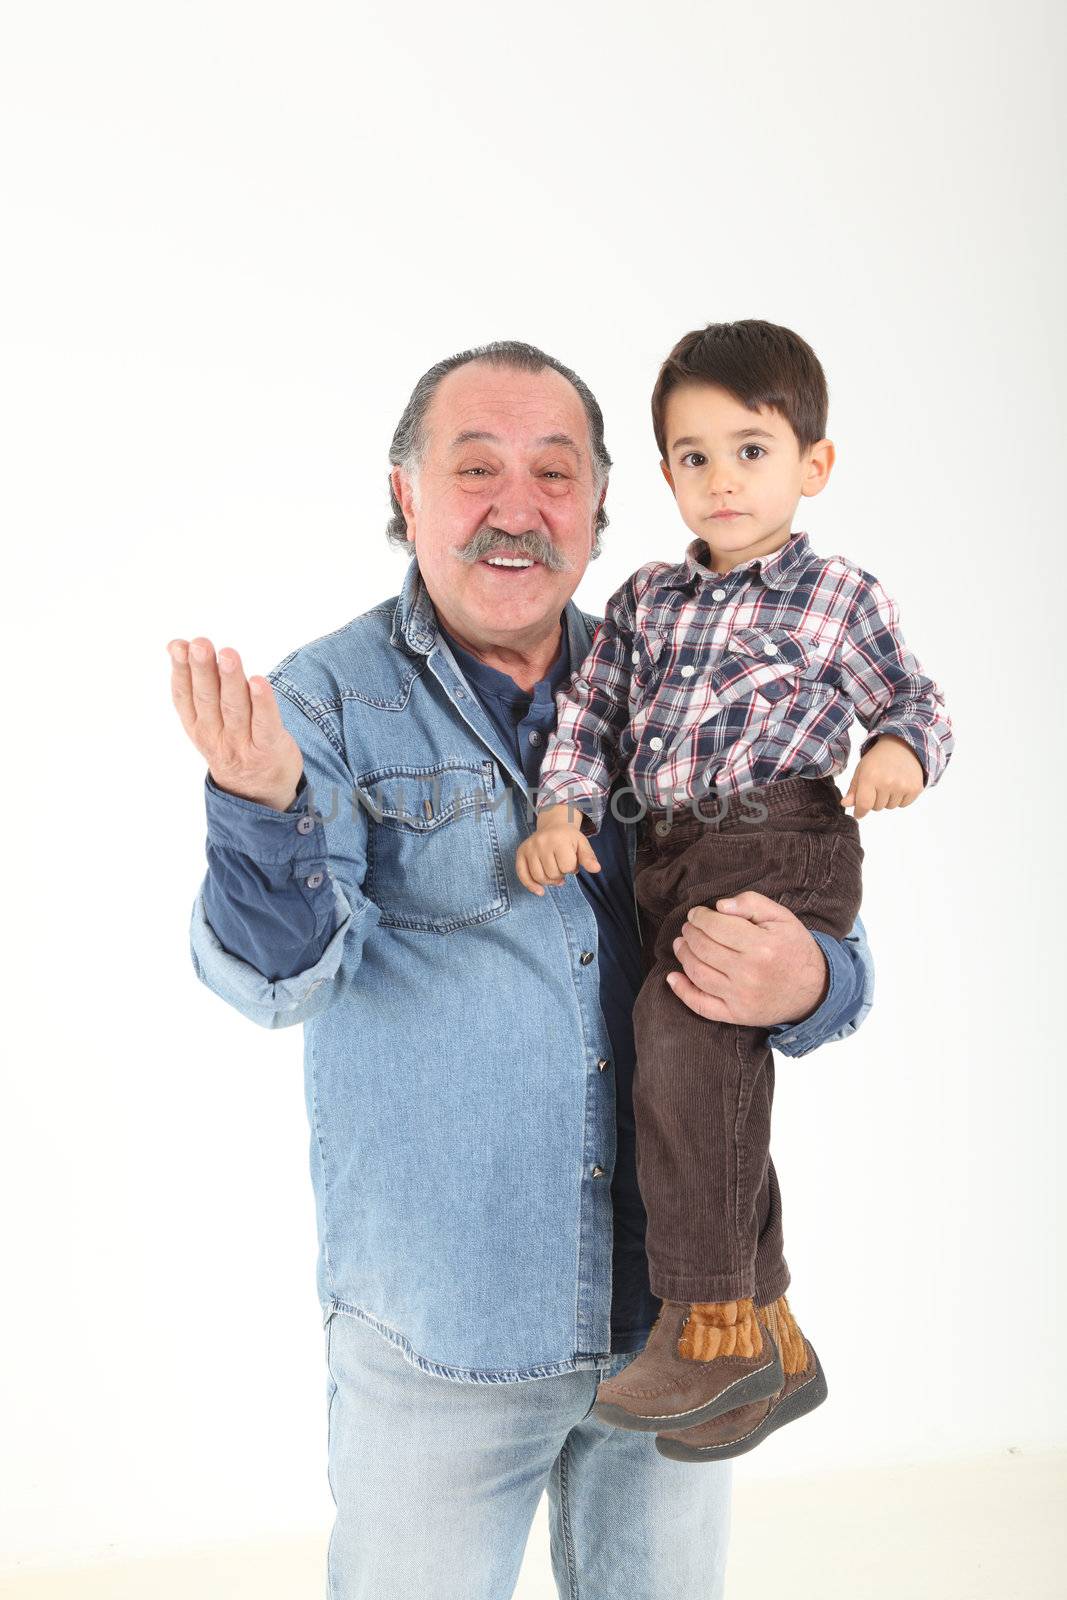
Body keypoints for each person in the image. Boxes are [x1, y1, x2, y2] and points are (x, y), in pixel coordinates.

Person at [167, 339, 875, 1599]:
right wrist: (258, 805)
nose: (515, 507)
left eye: (555, 473)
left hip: (678, 1320)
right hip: (444, 1336)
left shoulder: (684, 686)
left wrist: (809, 978)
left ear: (603, 510)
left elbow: (832, 936)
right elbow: (280, 979)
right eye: (473, 467)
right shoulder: (323, 704)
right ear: (407, 496)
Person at [517, 320, 953, 1463]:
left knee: (678, 1033)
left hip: (777, 839)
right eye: (692, 455)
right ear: (662, 474)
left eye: (750, 450)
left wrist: (896, 752)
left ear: (811, 465)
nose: (720, 479)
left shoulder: (834, 595)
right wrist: (561, 806)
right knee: (693, 1069)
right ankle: (772, 1333)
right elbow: (589, 720)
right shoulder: (644, 602)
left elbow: (911, 696)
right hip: (664, 853)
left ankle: (707, 1324)